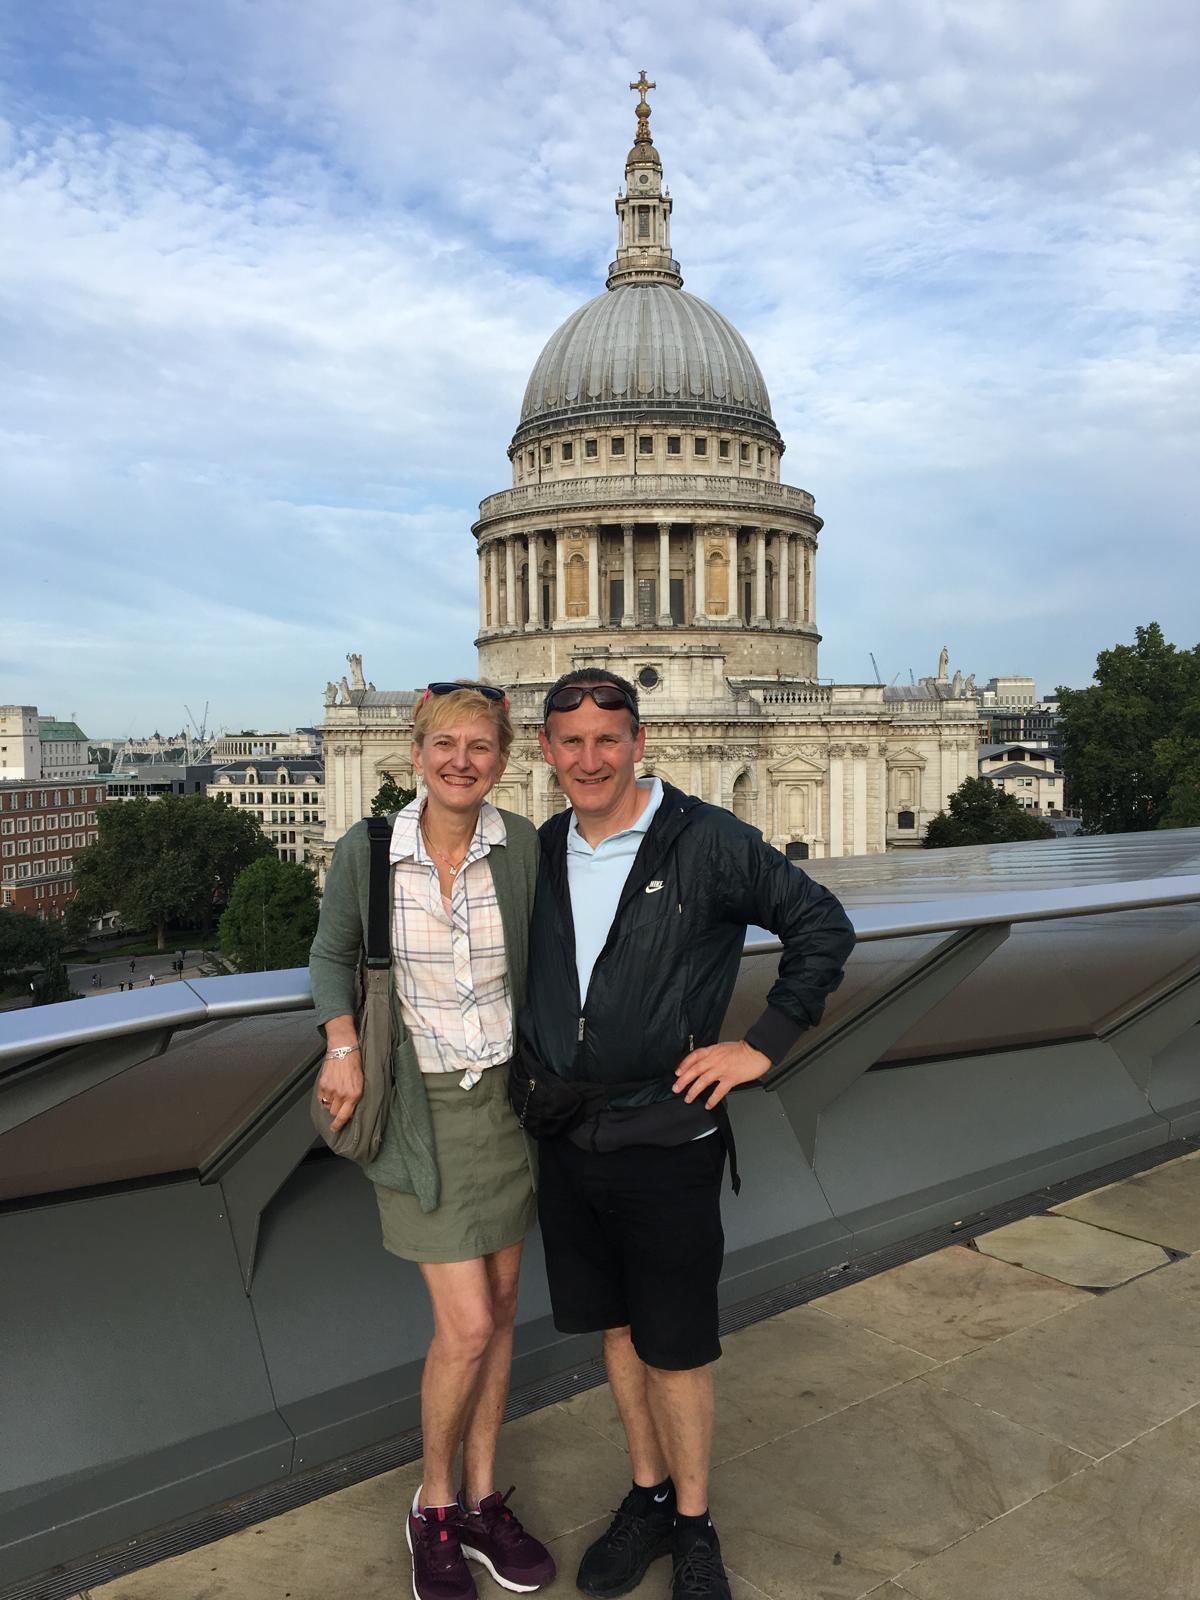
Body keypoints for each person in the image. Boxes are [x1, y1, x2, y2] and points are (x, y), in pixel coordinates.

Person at [520, 668, 856, 1600]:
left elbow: (822, 923)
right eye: (572, 742)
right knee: (620, 1334)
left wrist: (761, 1046)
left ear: (639, 741)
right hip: (567, 1134)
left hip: (667, 1132)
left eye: (608, 739)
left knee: (676, 1343)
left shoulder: (705, 839)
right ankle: (647, 1497)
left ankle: (696, 1526)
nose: (590, 759)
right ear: (546, 751)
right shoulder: (543, 848)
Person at [309, 681, 555, 1600]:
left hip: (508, 1105)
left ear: (504, 759)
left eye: (480, 747)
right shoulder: (369, 851)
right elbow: (332, 955)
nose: (462, 760)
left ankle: (487, 1497)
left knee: (501, 1309)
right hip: (416, 1111)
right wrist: (341, 1044)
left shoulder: (521, 847)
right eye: (444, 744)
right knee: (470, 1323)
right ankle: (437, 1506)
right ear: (415, 755)